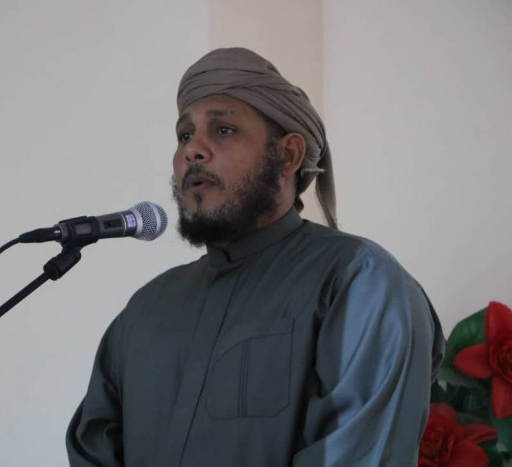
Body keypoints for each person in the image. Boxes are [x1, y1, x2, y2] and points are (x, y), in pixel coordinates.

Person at [66, 47, 444, 466]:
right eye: (184, 135)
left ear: (288, 155)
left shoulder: (358, 282)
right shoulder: (146, 309)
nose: (193, 150)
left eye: (223, 129)